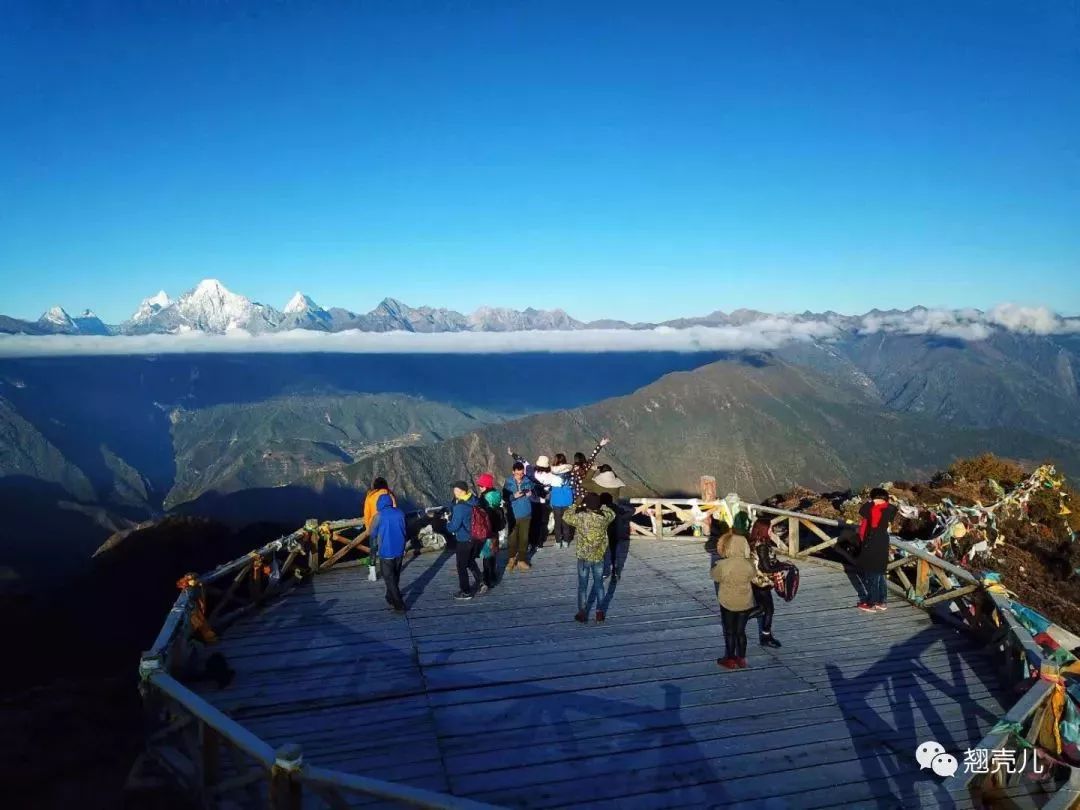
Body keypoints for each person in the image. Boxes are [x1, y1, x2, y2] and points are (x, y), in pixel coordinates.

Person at [564, 493, 615, 623]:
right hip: (598, 557)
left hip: (583, 557)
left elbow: (566, 516)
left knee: (582, 585)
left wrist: (576, 504)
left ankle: (582, 612)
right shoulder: (604, 517)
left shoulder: (581, 517)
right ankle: (599, 612)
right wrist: (602, 504)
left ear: (586, 505)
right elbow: (612, 513)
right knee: (599, 585)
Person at [711, 533, 757, 669]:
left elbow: (715, 576)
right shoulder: (749, 564)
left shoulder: (724, 564)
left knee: (730, 631)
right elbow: (752, 575)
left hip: (728, 600)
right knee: (741, 631)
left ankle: (730, 658)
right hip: (745, 600)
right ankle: (741, 658)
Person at [856, 487, 898, 612]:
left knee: (872, 574)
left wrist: (872, 502)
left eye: (872, 498)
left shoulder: (875, 510)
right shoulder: (889, 509)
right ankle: (882, 601)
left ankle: (871, 603)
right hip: (883, 542)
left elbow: (862, 510)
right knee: (880, 574)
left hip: (873, 543)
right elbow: (892, 508)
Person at [587, 465, 627, 581]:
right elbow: (616, 478)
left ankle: (604, 571)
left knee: (601, 545)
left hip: (600, 518)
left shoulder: (596, 485)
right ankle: (615, 571)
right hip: (614, 517)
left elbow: (584, 482)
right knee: (613, 545)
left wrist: (593, 470)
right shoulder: (616, 485)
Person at [368, 493, 407, 612]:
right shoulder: (400, 513)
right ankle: (390, 596)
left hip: (386, 551)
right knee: (396, 575)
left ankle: (399, 605)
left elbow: (372, 533)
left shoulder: (378, 516)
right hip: (400, 549)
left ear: (379, 504)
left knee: (389, 578)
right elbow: (405, 529)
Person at [748, 517, 783, 648]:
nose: (771, 530)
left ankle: (766, 635)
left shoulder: (753, 541)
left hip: (754, 579)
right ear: (764, 530)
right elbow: (765, 567)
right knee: (767, 609)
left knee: (764, 608)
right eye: (769, 528)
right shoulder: (762, 546)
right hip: (762, 581)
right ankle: (740, 619)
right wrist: (784, 567)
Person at [446, 481, 483, 600]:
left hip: (464, 539)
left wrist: (446, 523)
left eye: (456, 490)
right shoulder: (473, 500)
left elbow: (454, 527)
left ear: (462, 491)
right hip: (475, 537)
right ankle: (481, 581)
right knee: (470, 561)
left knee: (461, 566)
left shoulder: (460, 507)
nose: (454, 492)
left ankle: (466, 592)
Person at [363, 477, 396, 582]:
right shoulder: (389, 494)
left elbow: (366, 513)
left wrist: (367, 527)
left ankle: (372, 573)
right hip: (387, 524)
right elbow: (394, 509)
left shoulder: (370, 496)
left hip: (374, 524)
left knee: (373, 548)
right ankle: (387, 570)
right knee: (385, 547)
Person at [503, 463, 534, 572]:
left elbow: (534, 490)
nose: (519, 476)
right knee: (512, 539)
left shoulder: (528, 481)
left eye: (521, 474)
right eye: (517, 474)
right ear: (513, 472)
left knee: (524, 539)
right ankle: (511, 560)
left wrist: (531, 493)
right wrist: (513, 496)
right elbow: (505, 497)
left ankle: (521, 560)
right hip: (513, 515)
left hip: (526, 513)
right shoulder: (508, 482)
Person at [476, 472, 504, 590]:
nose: (480, 488)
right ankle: (493, 575)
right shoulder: (496, 496)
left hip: (487, 531)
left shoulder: (485, 500)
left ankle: (487, 579)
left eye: (481, 486)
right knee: (492, 555)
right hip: (495, 531)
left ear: (486, 486)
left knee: (486, 556)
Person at [570, 438, 611, 504]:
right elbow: (593, 456)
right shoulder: (586, 466)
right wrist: (600, 445)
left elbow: (571, 483)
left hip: (574, 495)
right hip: (586, 493)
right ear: (583, 458)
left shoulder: (571, 469)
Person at [547, 454, 575, 548]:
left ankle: (558, 541)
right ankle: (566, 541)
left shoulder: (552, 473)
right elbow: (573, 488)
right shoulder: (570, 473)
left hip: (556, 501)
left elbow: (550, 488)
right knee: (566, 523)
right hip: (567, 501)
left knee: (557, 523)